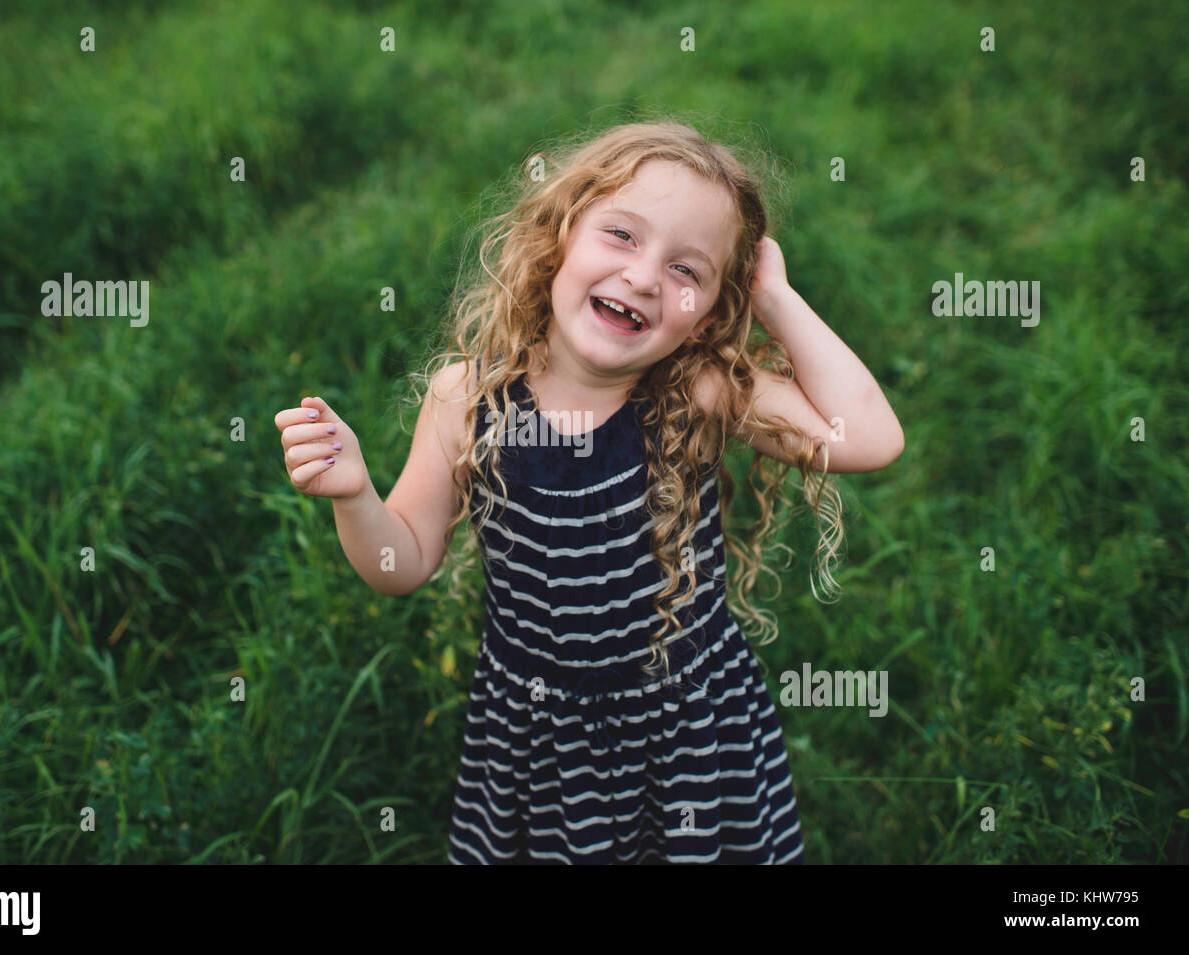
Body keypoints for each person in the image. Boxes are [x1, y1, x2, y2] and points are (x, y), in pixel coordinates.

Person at [274, 120, 904, 864]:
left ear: (709, 313)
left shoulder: (696, 391)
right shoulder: (469, 401)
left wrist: (775, 297)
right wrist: (356, 495)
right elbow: (401, 564)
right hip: (541, 738)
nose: (643, 277)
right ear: (560, 233)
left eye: (687, 271)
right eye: (623, 236)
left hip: (688, 727)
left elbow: (866, 437)